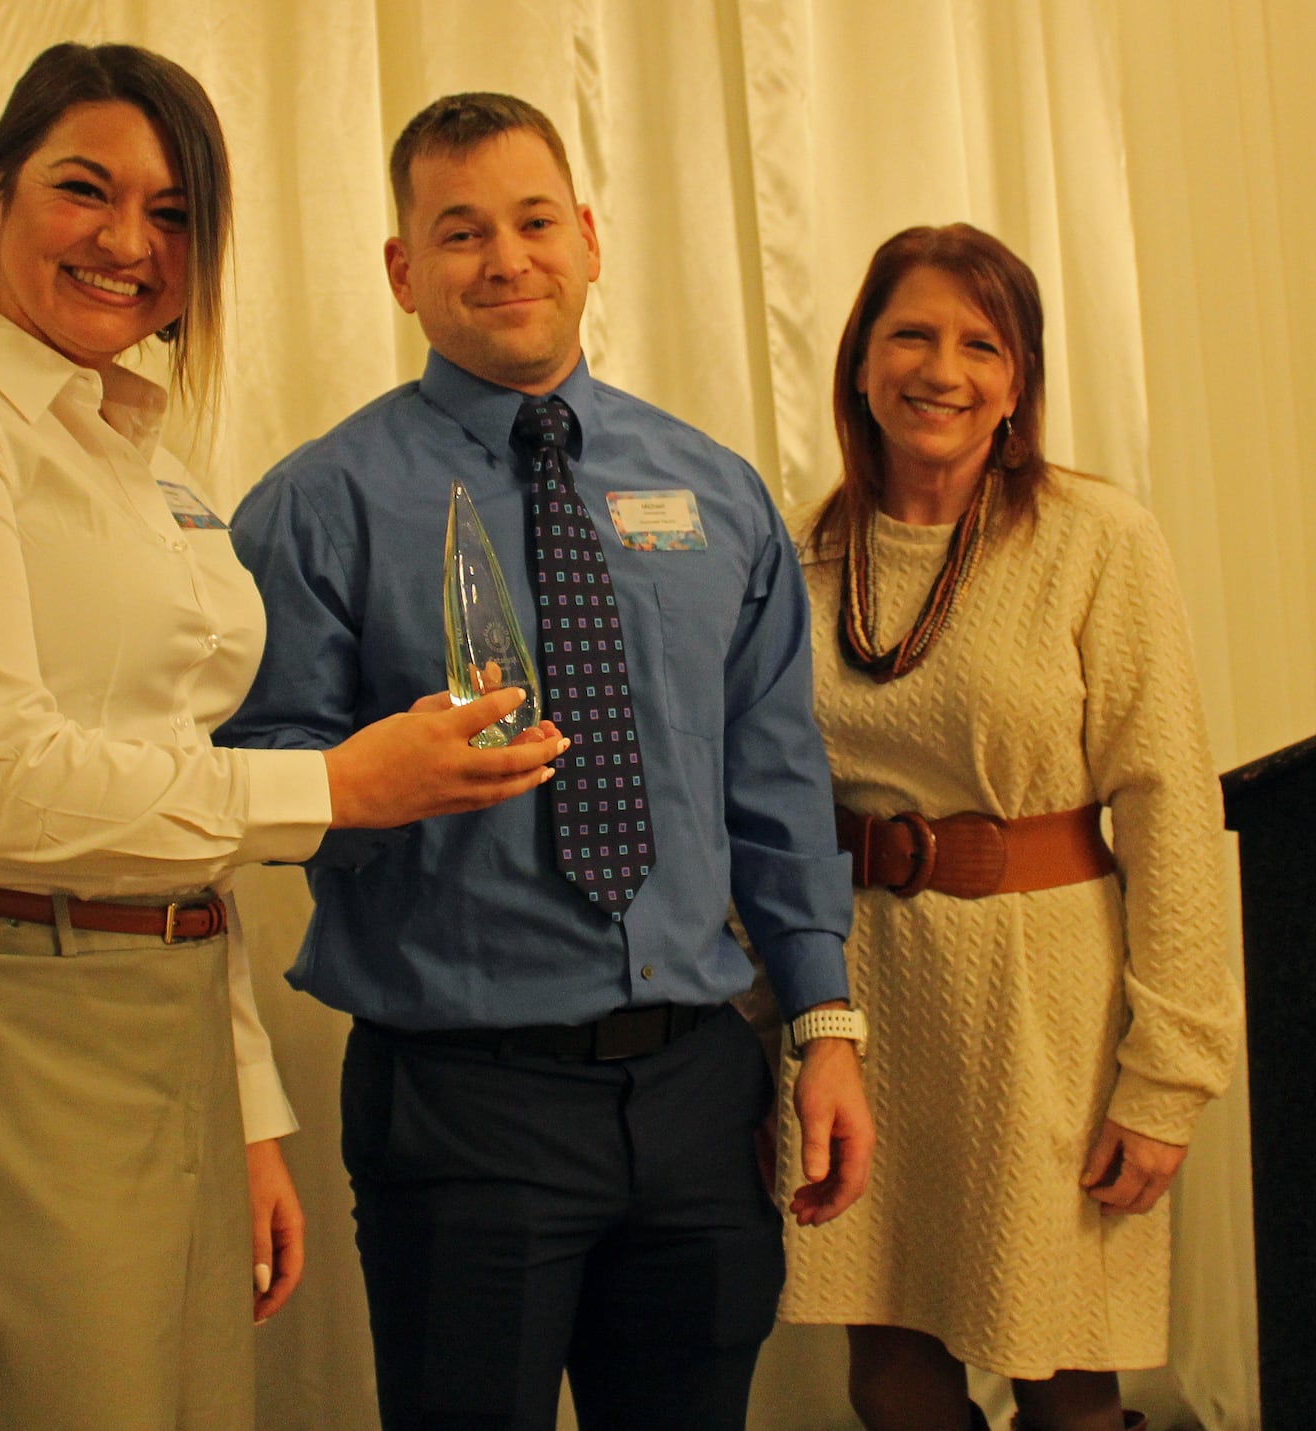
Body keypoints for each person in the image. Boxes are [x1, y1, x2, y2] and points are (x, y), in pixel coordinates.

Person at [0, 45, 566, 1431]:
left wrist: (247, 1096)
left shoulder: (151, 462)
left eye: (177, 211)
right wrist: (337, 783)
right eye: (87, 189)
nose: (130, 241)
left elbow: (159, 774)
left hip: (165, 1013)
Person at [217, 92, 873, 1431]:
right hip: (464, 1097)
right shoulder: (313, 506)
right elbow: (251, 774)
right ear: (403, 271)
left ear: (586, 238)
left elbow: (776, 780)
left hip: (701, 1088)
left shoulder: (714, 490)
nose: (504, 258)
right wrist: (372, 775)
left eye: (531, 222)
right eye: (459, 232)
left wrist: (824, 1028)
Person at [760, 224, 1241, 1431]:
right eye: (911, 334)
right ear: (861, 364)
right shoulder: (805, 550)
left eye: (982, 344)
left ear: (1018, 382)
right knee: (891, 1366)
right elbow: (763, 791)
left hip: (1047, 1003)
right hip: (863, 995)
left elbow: (1171, 801)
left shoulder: (1095, 540)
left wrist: (1167, 1076)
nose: (943, 369)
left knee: (1065, 1371)